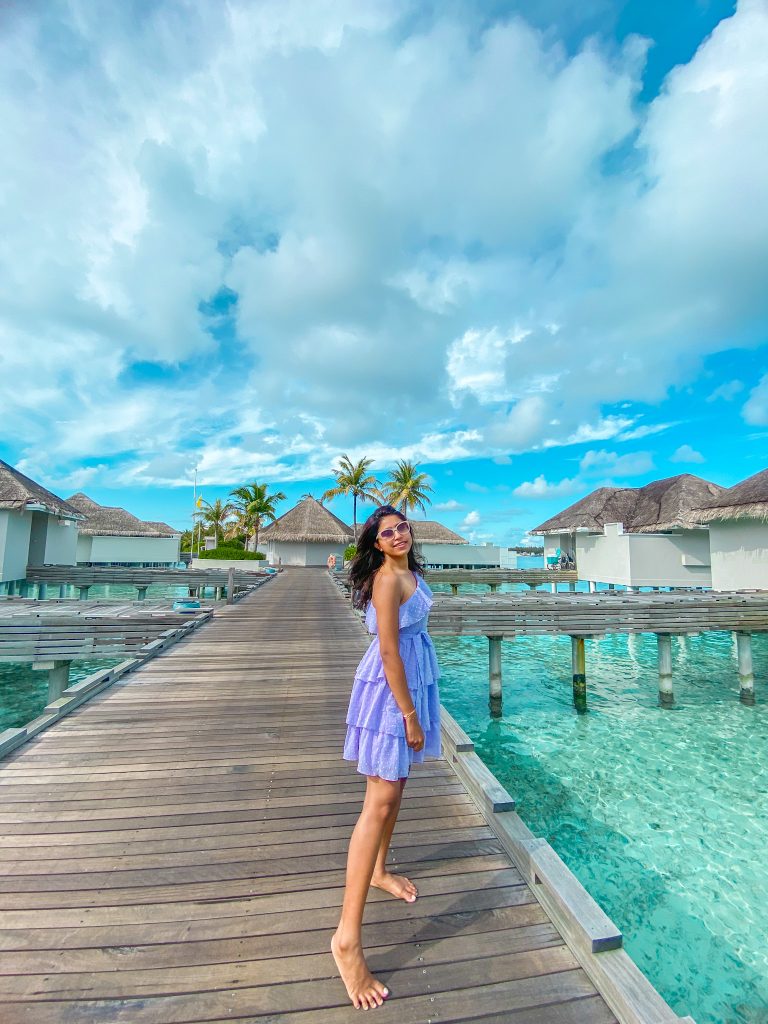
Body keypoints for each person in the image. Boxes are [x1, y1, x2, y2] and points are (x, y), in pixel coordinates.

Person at [331, 505, 441, 1009]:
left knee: (395, 789)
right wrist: (410, 714)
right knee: (378, 801)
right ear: (376, 542)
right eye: (387, 532)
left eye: (403, 527)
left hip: (408, 685)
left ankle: (378, 871)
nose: (398, 535)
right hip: (390, 692)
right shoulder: (385, 581)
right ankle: (347, 941)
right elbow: (391, 652)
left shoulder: (410, 572)